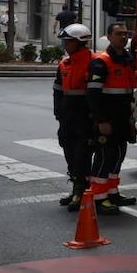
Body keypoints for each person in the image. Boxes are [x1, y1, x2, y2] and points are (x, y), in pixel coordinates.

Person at [86, 21, 137, 213]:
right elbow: (93, 95)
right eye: (119, 34)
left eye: (125, 34)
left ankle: (112, 193)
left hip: (123, 118)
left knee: (119, 155)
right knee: (104, 156)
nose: (123, 37)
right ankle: (99, 199)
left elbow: (129, 92)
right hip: (107, 119)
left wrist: (132, 119)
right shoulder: (101, 62)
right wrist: (101, 121)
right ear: (109, 37)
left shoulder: (127, 59)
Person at [54, 23, 96, 209]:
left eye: (68, 41)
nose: (65, 45)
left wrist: (96, 116)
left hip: (86, 116)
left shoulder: (94, 62)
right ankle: (76, 186)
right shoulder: (64, 63)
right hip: (67, 116)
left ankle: (82, 190)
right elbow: (57, 90)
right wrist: (58, 113)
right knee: (67, 147)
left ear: (80, 42)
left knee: (82, 154)